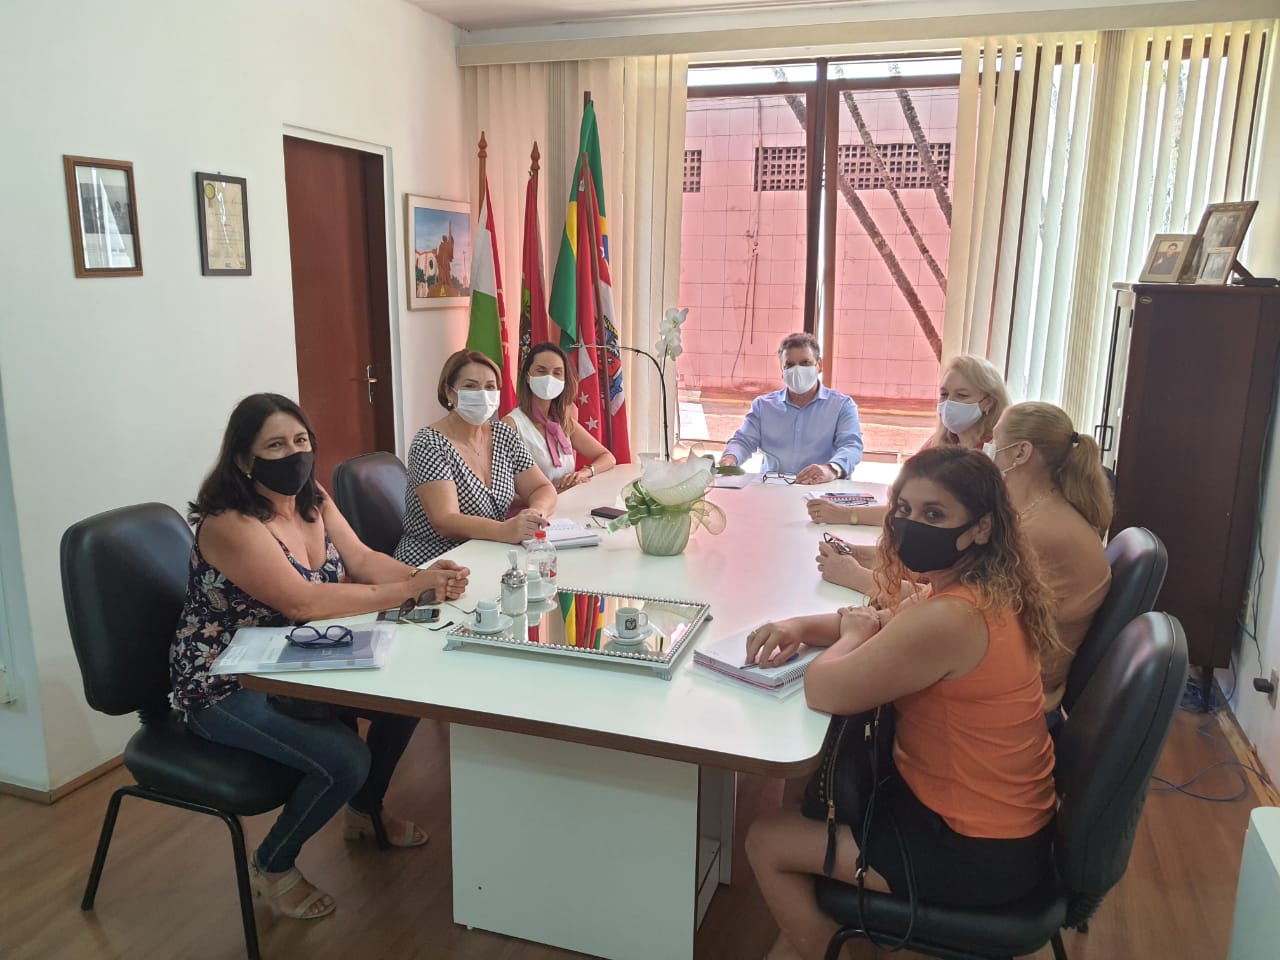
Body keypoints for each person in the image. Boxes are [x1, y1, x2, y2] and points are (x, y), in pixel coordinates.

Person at [745, 446, 1059, 960]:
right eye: (905, 510)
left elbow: (826, 688)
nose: (912, 525)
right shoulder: (976, 590)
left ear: (980, 528)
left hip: (976, 849)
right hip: (1005, 821)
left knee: (766, 841)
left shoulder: (953, 619)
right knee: (802, 790)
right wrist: (800, 626)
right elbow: (884, 622)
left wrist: (847, 636)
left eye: (934, 514)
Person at [171, 393, 470, 921]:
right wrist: (408, 590)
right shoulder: (230, 524)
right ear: (244, 459)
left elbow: (360, 559)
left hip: (297, 658)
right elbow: (302, 601)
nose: (294, 454)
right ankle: (273, 863)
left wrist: (422, 579)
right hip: (227, 681)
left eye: (301, 440)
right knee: (344, 758)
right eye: (276, 446)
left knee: (407, 695)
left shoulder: (312, 497)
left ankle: (364, 809)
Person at [810, 353, 1011, 581]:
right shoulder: (938, 444)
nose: (948, 404)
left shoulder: (993, 460)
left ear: (987, 402)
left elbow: (945, 566)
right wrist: (858, 552)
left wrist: (855, 570)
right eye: (944, 395)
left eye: (961, 396)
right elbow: (903, 507)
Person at [988, 402, 1112, 711]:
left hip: (1021, 687)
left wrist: (856, 574)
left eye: (996, 440)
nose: (989, 448)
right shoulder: (1037, 509)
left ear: (1021, 452)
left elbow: (969, 602)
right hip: (1018, 663)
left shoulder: (1042, 530)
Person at [395, 349, 557, 564]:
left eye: (490, 387)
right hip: (434, 562)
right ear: (449, 392)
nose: (482, 393)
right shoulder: (430, 443)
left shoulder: (503, 434)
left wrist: (535, 515)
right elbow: (445, 520)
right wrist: (504, 531)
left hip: (487, 554)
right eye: (470, 386)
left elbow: (541, 488)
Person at [719, 332, 863, 484]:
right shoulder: (763, 406)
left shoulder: (841, 405)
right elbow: (744, 441)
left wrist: (831, 469)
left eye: (805, 363)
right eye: (790, 365)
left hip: (821, 488)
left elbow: (851, 446)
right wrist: (730, 458)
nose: (797, 370)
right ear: (782, 370)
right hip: (772, 489)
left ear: (819, 365)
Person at [502, 341, 616, 492]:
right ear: (528, 377)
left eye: (557, 372)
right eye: (541, 371)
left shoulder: (563, 422)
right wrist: (554, 491)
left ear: (564, 381)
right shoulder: (511, 425)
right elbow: (503, 494)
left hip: (567, 505)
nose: (549, 378)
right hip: (533, 511)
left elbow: (607, 457)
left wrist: (584, 473)